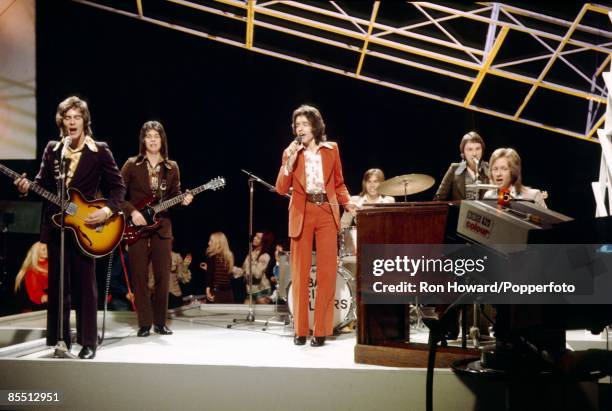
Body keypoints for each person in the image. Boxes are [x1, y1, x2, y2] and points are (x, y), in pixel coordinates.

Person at [14, 96, 126, 359]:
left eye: (77, 117)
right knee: (58, 286)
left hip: (87, 227)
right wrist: (25, 188)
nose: (72, 122)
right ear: (61, 121)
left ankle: (88, 342)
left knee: (85, 287)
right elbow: (41, 184)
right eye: (67, 117)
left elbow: (119, 188)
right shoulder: (53, 149)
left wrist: (107, 210)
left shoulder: (100, 150)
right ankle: (59, 339)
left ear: (84, 120)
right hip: (57, 226)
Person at [275, 104, 355, 347]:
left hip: (326, 211)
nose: (300, 128)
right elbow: (280, 188)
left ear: (315, 126)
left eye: (304, 124)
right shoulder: (291, 153)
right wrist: (288, 160)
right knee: (299, 273)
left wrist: (348, 202)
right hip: (302, 211)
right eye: (297, 125)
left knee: (327, 273)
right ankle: (300, 330)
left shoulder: (332, 150)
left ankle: (320, 331)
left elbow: (339, 184)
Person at [120, 121, 193, 337]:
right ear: (143, 140)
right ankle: (144, 323)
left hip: (162, 226)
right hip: (136, 226)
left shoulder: (172, 167)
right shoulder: (131, 164)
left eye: (156, 136)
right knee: (139, 276)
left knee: (163, 276)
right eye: (149, 136)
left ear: (162, 140)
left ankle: (160, 322)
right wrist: (132, 212)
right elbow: (118, 195)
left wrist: (184, 200)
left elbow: (175, 195)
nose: (153, 140)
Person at [434, 131, 490, 201]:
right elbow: (438, 199)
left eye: (478, 149)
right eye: (470, 149)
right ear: (463, 153)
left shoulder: (489, 169)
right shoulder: (454, 169)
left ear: (482, 150)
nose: (474, 153)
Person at [483, 148, 547, 208]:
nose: (498, 174)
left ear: (513, 171)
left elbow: (547, 219)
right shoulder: (488, 196)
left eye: (504, 169)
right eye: (495, 169)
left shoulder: (533, 196)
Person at [233, 231, 275, 304]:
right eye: (255, 236)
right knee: (245, 311)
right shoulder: (251, 253)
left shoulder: (265, 256)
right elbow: (244, 271)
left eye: (258, 238)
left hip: (262, 290)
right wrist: (230, 268)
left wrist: (252, 259)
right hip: (251, 291)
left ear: (263, 242)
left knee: (262, 314)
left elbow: (257, 274)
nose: (255, 238)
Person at [14, 242, 49, 312]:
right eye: (43, 249)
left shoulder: (50, 264)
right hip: (35, 309)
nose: (47, 251)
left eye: (48, 248)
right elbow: (36, 294)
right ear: (37, 252)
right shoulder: (32, 271)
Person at [203, 232, 235, 304]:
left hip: (216, 292)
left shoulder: (212, 255)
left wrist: (208, 289)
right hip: (228, 293)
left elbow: (210, 274)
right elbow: (229, 275)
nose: (208, 243)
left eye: (211, 241)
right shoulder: (230, 255)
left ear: (217, 243)